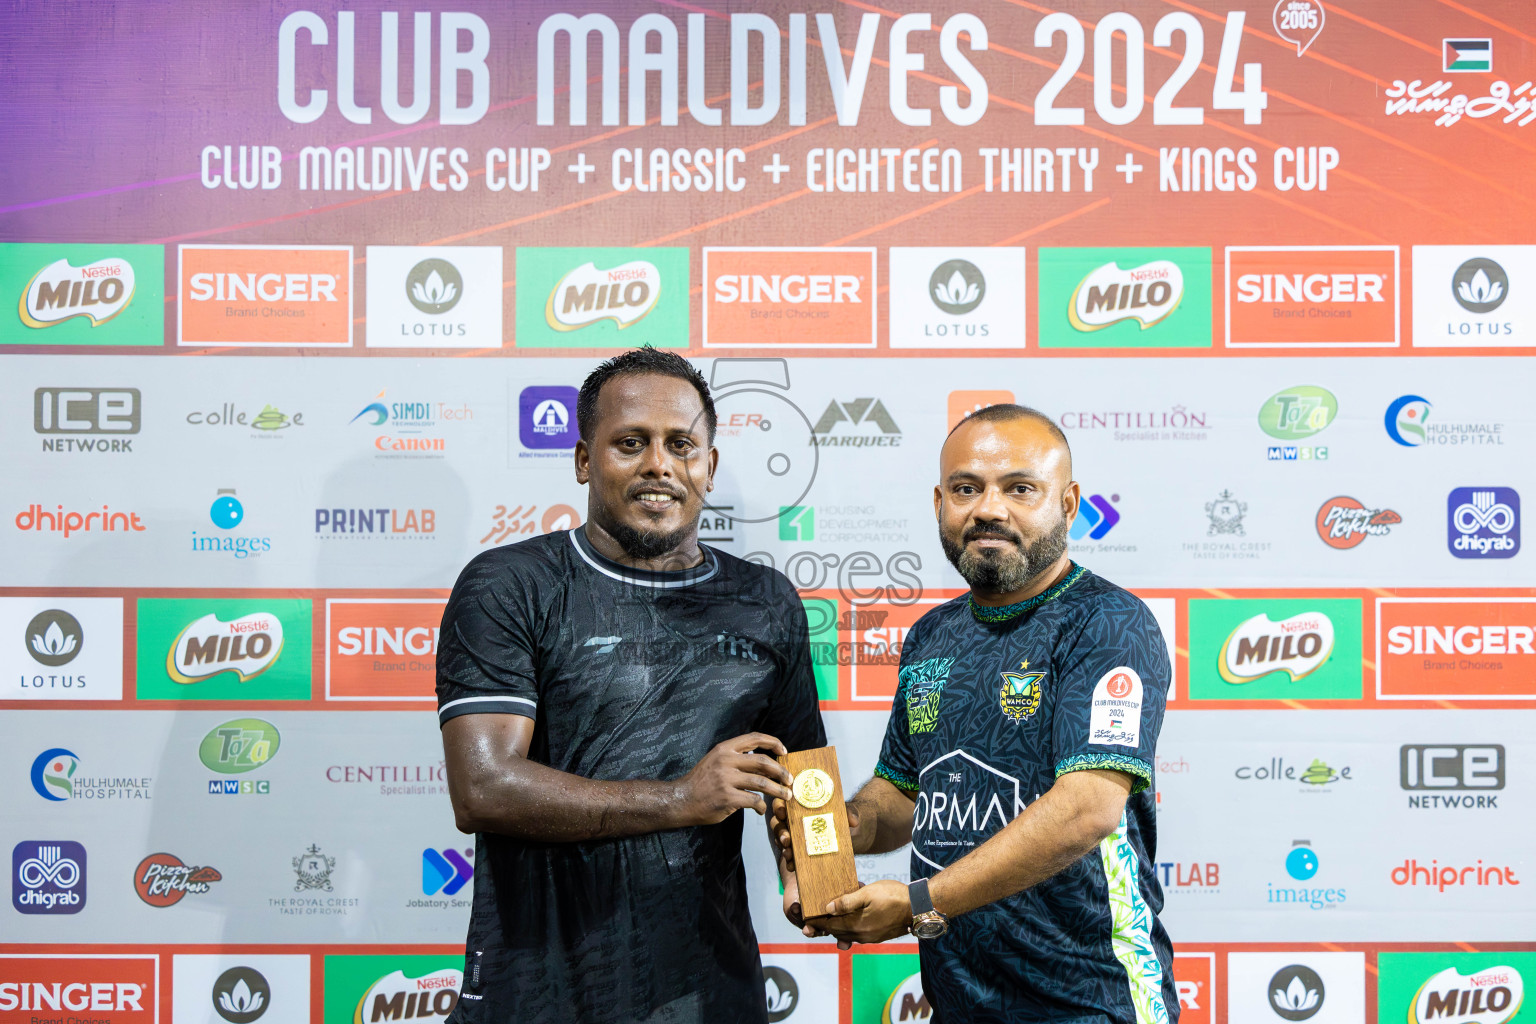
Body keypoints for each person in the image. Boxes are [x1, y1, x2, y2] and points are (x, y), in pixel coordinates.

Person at [438, 346, 825, 1024]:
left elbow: (800, 783)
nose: (659, 465)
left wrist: (819, 882)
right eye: (630, 444)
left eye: (682, 445)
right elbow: (484, 788)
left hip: (710, 994)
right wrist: (682, 797)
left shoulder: (766, 600)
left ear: (708, 464)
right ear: (585, 460)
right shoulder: (510, 586)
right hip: (538, 994)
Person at [777, 404, 1178, 1024]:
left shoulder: (1107, 623)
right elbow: (906, 796)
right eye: (966, 488)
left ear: (1068, 503)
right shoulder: (933, 635)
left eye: (1020, 488)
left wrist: (915, 904)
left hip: (1091, 1001)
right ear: (940, 501)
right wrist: (835, 831)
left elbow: (1086, 810)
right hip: (960, 1001)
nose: (989, 509)